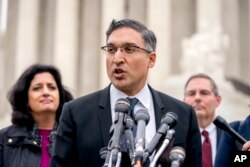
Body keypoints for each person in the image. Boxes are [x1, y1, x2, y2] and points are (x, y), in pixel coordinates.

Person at [50, 18, 202, 167]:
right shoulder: (76, 113)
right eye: (111, 50)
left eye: (129, 49)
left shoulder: (182, 114)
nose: (117, 59)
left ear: (151, 59)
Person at [0, 64, 73, 167]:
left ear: (60, 96)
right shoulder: (4, 139)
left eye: (52, 87)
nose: (46, 92)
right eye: (37, 88)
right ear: (25, 99)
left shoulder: (74, 137)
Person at [183, 73, 222, 167]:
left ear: (218, 100)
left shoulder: (232, 137)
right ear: (184, 101)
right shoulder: (175, 139)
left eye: (204, 93)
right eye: (191, 93)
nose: (197, 98)